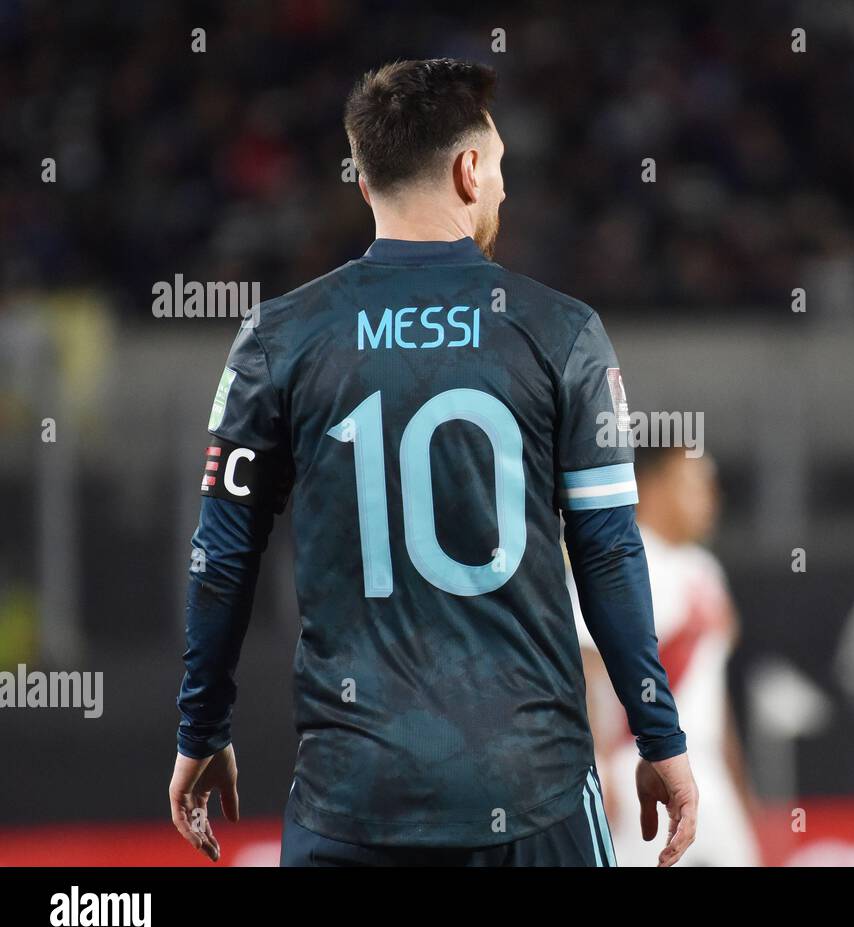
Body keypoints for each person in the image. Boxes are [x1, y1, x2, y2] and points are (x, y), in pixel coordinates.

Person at [168, 58, 696, 867]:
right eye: (502, 168)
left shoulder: (279, 338)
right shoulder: (562, 333)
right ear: (468, 168)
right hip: (532, 790)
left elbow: (221, 558)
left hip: (352, 795)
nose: (506, 192)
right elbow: (609, 550)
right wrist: (658, 731)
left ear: (366, 180)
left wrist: (201, 728)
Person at [573, 447, 759, 865]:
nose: (711, 499)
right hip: (644, 767)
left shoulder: (706, 570)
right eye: (695, 485)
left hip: (709, 772)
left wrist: (740, 782)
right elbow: (587, 673)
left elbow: (713, 691)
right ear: (654, 488)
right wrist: (599, 770)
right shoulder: (621, 563)